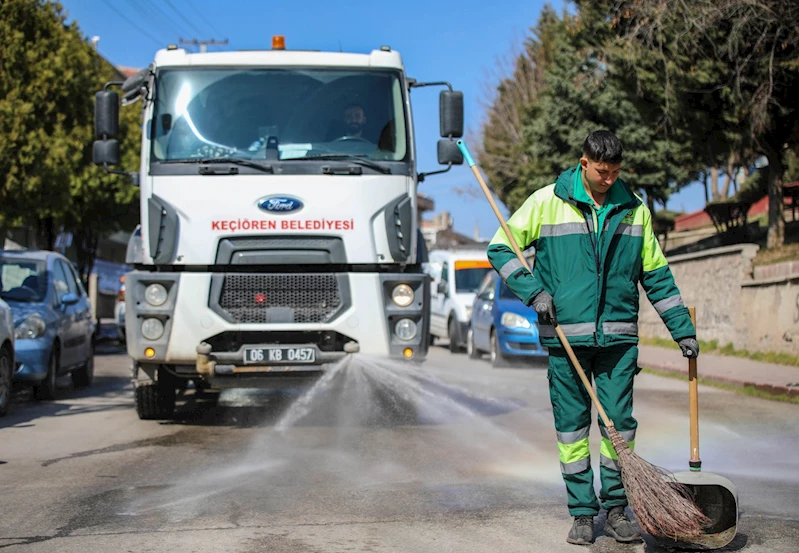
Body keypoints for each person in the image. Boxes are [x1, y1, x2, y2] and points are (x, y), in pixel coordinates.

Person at [486, 130, 699, 546]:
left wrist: (682, 330)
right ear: (584, 163)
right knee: (572, 430)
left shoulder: (633, 209)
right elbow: (500, 249)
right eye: (603, 171)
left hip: (618, 342)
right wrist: (534, 292)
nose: (609, 178)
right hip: (566, 339)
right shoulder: (546, 201)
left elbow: (656, 274)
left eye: (616, 171)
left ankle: (617, 509)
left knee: (620, 427)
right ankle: (583, 514)